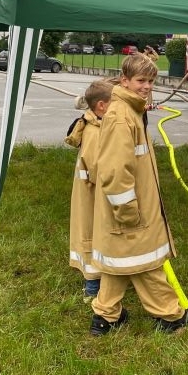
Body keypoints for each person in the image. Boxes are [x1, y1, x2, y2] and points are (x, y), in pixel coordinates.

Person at [89, 54, 188, 336]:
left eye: (150, 81)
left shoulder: (129, 111)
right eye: (140, 80)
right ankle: (170, 316)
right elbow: (115, 170)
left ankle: (105, 317)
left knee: (122, 261)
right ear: (124, 80)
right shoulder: (120, 116)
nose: (146, 86)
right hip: (128, 207)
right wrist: (126, 208)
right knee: (146, 261)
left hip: (131, 204)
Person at [64, 79, 114, 302]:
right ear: (102, 106)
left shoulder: (96, 125)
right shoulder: (94, 132)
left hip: (94, 197)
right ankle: (93, 290)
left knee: (94, 238)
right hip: (93, 198)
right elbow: (98, 169)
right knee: (91, 240)